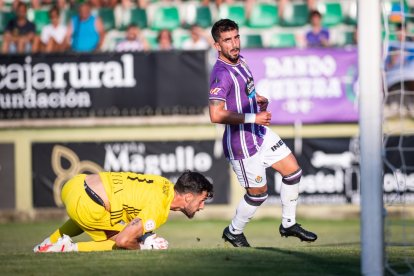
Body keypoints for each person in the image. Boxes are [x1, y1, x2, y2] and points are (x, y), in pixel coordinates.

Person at [208, 19, 317, 247]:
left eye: (236, 37)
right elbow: (216, 114)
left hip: (258, 133)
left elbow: (244, 92)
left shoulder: (242, 61)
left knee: (293, 172)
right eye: (227, 40)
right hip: (241, 143)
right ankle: (233, 231)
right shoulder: (221, 74)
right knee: (258, 194)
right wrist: (253, 117)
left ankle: (288, 224)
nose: (234, 43)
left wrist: (255, 99)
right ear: (217, 45)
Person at [33, 171, 213, 252]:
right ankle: (66, 248)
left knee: (100, 221)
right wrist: (143, 246)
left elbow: (134, 210)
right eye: (202, 200)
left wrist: (145, 235)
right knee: (121, 240)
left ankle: (48, 242)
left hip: (74, 185)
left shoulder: (164, 183)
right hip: (87, 203)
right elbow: (123, 240)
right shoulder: (159, 209)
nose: (202, 206)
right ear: (188, 197)